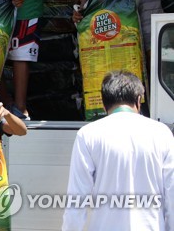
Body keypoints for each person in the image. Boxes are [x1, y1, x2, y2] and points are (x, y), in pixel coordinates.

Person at [62, 70, 173, 231]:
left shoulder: (88, 135)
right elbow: (172, 194)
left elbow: (76, 200)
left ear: (103, 102)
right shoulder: (161, 133)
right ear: (138, 100)